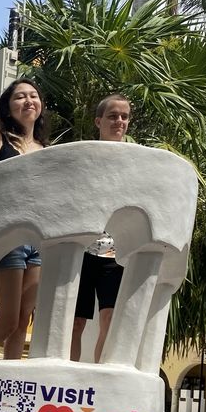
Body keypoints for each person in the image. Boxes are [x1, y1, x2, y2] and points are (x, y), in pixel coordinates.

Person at [0, 79, 49, 360]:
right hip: (7, 237)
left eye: (33, 96)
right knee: (7, 321)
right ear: (7, 106)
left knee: (22, 323)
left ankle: (12, 388)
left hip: (37, 240)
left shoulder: (45, 149)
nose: (28, 101)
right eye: (19, 97)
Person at [71, 95, 132, 362]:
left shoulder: (135, 161)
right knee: (75, 322)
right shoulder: (83, 156)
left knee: (109, 319)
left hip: (115, 253)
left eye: (124, 116)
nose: (119, 121)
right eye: (112, 116)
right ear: (98, 121)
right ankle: (68, 379)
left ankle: (99, 378)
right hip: (81, 250)